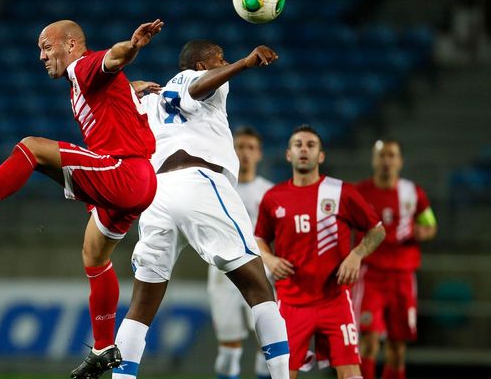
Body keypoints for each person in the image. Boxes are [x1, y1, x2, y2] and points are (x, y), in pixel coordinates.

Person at [0, 19, 164, 378]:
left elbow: (112, 58)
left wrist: (133, 45)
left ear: (70, 44)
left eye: (46, 47)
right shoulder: (85, 85)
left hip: (125, 173)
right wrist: (132, 87)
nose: (41, 56)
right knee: (94, 254)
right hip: (136, 185)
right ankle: (102, 348)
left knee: (31, 148)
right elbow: (115, 84)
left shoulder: (83, 67)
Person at [111, 40, 290, 379]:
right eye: (218, 59)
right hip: (199, 182)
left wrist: (129, 88)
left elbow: (112, 103)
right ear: (201, 64)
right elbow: (194, 86)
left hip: (155, 194)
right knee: (258, 286)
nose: (222, 63)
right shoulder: (191, 79)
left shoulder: (148, 99)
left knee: (141, 305)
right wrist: (242, 63)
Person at [255, 125, 386, 379]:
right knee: (282, 375)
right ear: (288, 154)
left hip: (334, 299)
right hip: (291, 303)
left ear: (321, 156)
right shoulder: (273, 197)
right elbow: (259, 237)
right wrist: (269, 258)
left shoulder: (342, 192)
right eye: (298, 145)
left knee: (351, 374)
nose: (304, 149)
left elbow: (377, 230)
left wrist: (357, 254)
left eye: (311, 145)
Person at [353, 139, 437, 379]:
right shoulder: (359, 192)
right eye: (382, 155)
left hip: (403, 276)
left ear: (400, 161)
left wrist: (424, 231)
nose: (386, 161)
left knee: (397, 347)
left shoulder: (413, 192)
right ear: (373, 160)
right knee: (368, 342)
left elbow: (430, 224)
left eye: (392, 155)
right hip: (371, 276)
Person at [207, 126, 276, 379]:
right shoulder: (218, 187)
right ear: (232, 152)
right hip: (222, 276)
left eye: (251, 148)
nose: (245, 153)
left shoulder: (269, 193)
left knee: (266, 346)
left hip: (261, 273)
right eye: (240, 147)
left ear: (259, 154)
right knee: (228, 348)